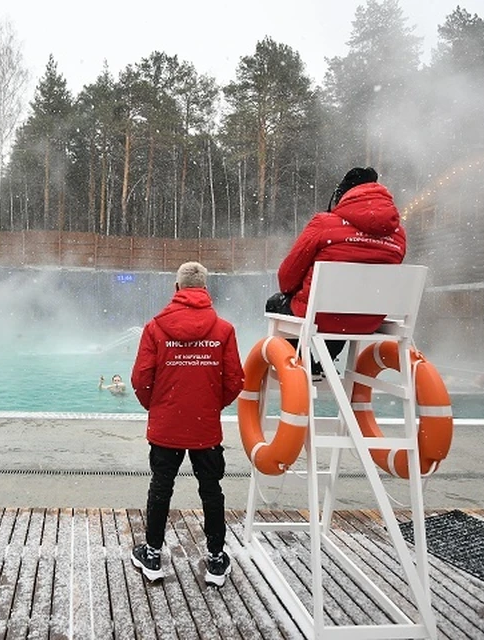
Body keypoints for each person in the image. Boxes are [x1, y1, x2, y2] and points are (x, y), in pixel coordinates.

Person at [129, 261, 244, 587]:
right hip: (205, 427)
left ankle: (152, 553)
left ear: (177, 289)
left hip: (167, 426)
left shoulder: (155, 328)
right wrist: (209, 406)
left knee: (161, 486)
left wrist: (159, 407)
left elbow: (141, 378)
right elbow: (235, 380)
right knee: (211, 490)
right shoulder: (224, 330)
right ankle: (217, 560)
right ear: (205, 290)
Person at [265, 166, 406, 377]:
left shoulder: (324, 223)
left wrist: (293, 292)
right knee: (344, 310)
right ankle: (325, 364)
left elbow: (287, 277)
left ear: (343, 195)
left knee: (277, 303)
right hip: (369, 320)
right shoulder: (398, 235)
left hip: (322, 316)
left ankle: (303, 366)